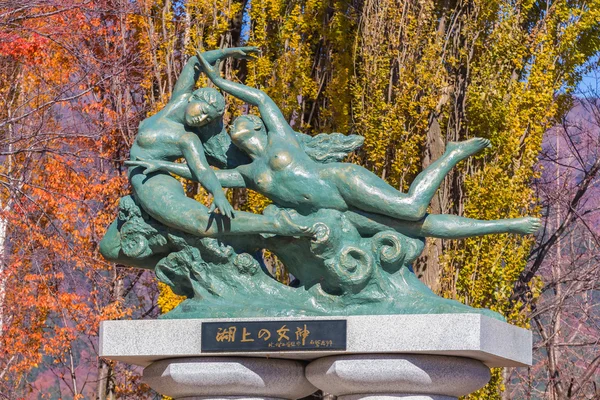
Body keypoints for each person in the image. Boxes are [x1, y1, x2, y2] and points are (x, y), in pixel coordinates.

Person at [127, 51, 540, 239]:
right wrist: (164, 169)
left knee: (412, 209)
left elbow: (260, 98)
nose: (232, 127)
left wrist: (218, 81)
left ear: (253, 125)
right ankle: (510, 225)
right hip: (333, 210)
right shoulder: (249, 173)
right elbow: (209, 173)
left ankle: (450, 153)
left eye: (235, 121)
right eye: (228, 126)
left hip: (343, 182)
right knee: (421, 228)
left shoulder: (279, 139)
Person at [124, 47, 313, 238]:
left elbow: (203, 171)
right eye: (202, 110)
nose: (202, 118)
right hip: (141, 181)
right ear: (193, 98)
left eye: (207, 118)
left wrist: (218, 194)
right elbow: (193, 63)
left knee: (200, 223)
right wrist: (228, 52)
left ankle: (278, 225)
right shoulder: (179, 100)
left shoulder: (188, 139)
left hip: (152, 182)